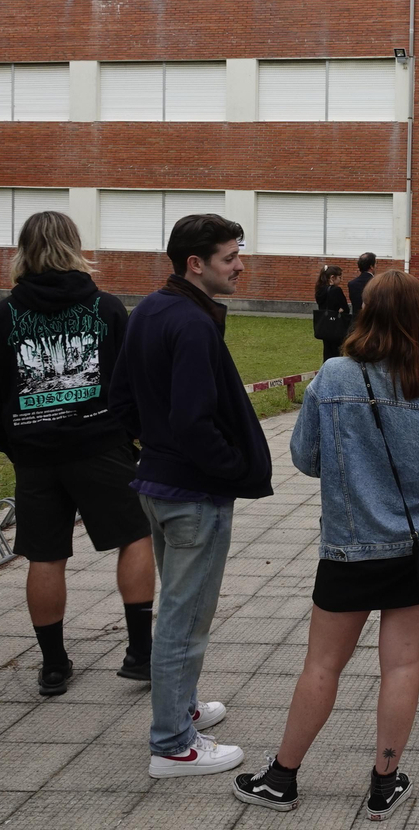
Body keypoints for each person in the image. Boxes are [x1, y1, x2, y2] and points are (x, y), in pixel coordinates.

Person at [234, 271, 419, 818]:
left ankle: (282, 776)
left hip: (350, 547)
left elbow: (305, 457)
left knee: (322, 664)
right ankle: (384, 782)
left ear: (366, 313)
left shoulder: (335, 376)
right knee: (402, 664)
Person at [108, 214, 271, 779]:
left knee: (180, 610)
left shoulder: (152, 307)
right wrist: (228, 470)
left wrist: (153, 446)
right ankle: (173, 743)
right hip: (190, 494)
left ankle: (182, 706)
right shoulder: (193, 323)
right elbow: (194, 419)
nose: (240, 265)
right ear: (196, 263)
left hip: (158, 483)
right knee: (186, 617)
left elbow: (121, 399)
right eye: (231, 257)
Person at [0, 211, 154, 697]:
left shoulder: (0, 317)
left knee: (44, 554)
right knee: (135, 537)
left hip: (35, 452)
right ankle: (140, 652)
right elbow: (132, 377)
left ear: (23, 251)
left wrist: (11, 442)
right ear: (74, 246)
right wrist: (129, 433)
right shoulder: (108, 308)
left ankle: (53, 664)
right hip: (101, 443)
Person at [314, 264, 351, 362]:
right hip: (336, 324)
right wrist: (340, 310)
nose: (341, 280)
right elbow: (345, 308)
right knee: (336, 352)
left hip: (324, 324)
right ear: (332, 278)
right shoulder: (336, 290)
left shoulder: (319, 290)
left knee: (327, 350)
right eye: (340, 277)